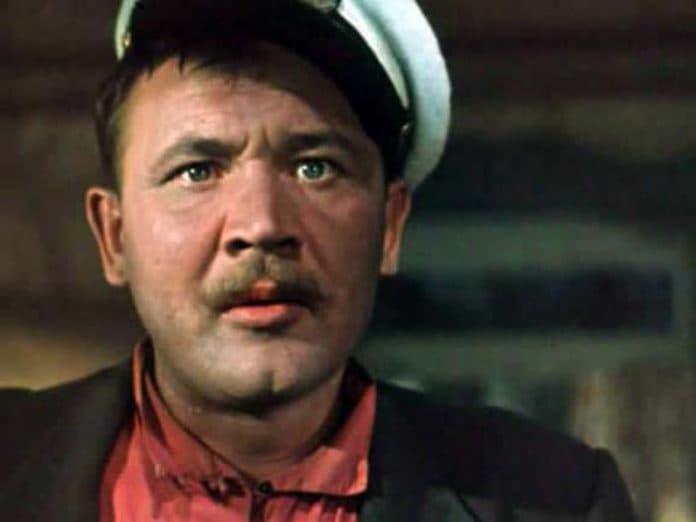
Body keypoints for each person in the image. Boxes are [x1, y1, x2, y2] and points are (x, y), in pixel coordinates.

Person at [0, 1, 638, 520]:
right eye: (197, 171)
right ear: (113, 236)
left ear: (389, 226)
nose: (261, 226)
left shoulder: (558, 500)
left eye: (315, 168)